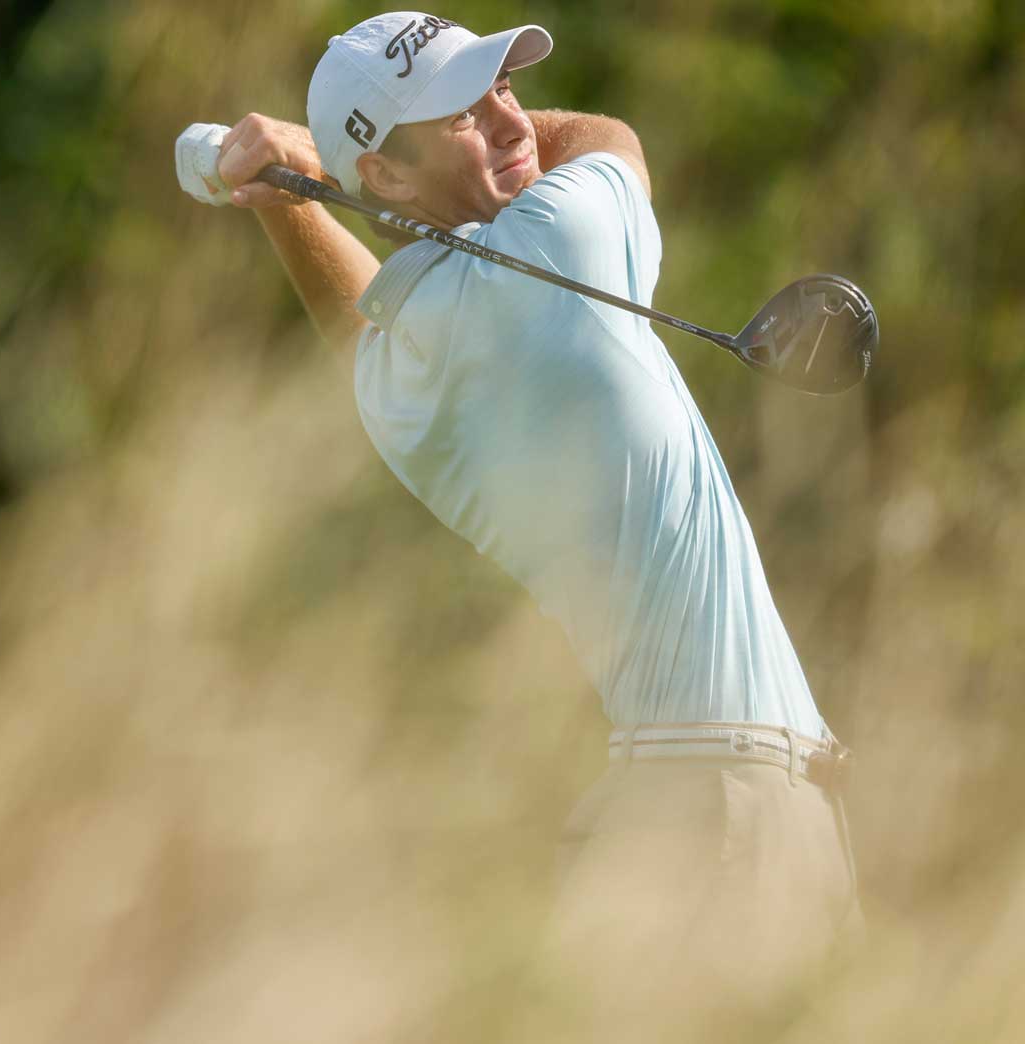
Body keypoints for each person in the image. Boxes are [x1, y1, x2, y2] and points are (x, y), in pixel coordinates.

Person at [205, 10, 861, 1023]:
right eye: (461, 114)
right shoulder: (561, 241)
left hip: (679, 806)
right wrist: (309, 172)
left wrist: (284, 201)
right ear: (381, 176)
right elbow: (612, 141)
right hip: (726, 813)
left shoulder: (396, 384)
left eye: (501, 90)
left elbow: (357, 319)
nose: (507, 121)